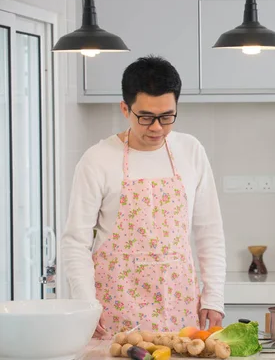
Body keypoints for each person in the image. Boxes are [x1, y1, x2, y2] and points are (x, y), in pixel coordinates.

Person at [61, 56, 226, 339]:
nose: (157, 128)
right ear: (125, 109)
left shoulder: (191, 151)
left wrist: (214, 297)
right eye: (146, 117)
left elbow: (209, 231)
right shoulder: (97, 159)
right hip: (114, 311)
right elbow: (75, 242)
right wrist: (88, 305)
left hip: (179, 309)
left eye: (167, 117)